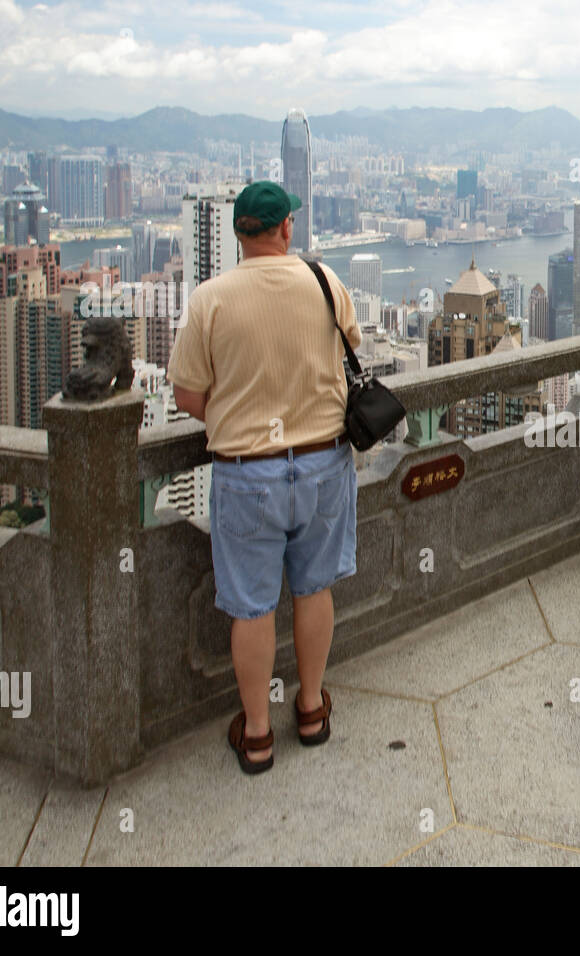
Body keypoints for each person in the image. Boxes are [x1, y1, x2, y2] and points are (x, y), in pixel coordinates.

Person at [168, 181, 362, 775]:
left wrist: (240, 417)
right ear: (286, 229)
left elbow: (188, 394)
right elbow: (351, 355)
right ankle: (310, 709)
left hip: (248, 472)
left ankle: (256, 734)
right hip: (323, 463)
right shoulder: (326, 283)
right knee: (314, 588)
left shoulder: (210, 299)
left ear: (236, 233)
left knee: (251, 607)